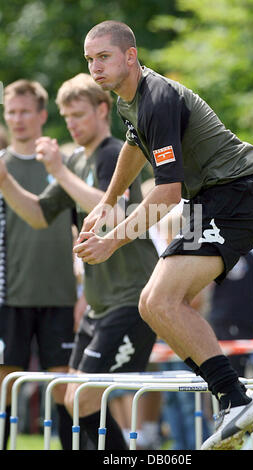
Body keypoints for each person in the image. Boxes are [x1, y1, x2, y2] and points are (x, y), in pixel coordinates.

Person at [74, 20, 253, 450]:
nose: (95, 67)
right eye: (90, 59)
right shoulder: (131, 100)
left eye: (103, 56)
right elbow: (133, 145)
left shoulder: (158, 98)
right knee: (152, 304)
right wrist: (108, 203)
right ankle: (235, 399)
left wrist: (113, 240)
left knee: (161, 299)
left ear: (131, 56)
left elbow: (165, 194)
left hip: (237, 194)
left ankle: (236, 399)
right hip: (211, 199)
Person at [0, 73, 158, 450]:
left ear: (103, 110)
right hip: (100, 304)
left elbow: (111, 210)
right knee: (73, 399)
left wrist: (57, 171)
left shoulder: (110, 153)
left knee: (84, 399)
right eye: (66, 116)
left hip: (131, 297)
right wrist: (4, 180)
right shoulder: (76, 161)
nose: (71, 124)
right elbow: (39, 213)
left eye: (79, 115)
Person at [0, 80, 77, 449]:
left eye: (25, 111)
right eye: (11, 112)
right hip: (8, 299)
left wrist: (83, 291)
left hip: (60, 297)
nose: (18, 119)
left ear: (43, 115)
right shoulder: (1, 167)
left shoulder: (65, 165)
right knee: (4, 388)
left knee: (63, 388)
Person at [206, 245, 253, 377]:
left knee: (237, 370)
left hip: (242, 320)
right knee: (214, 368)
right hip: (217, 320)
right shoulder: (215, 246)